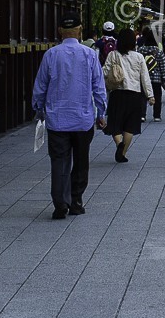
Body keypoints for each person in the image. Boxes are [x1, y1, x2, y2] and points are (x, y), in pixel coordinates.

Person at [32, 13, 108, 220]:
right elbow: (98, 86)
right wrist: (101, 112)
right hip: (83, 119)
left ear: (60, 31)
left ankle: (60, 202)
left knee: (59, 161)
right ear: (80, 30)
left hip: (57, 119)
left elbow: (40, 86)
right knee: (81, 161)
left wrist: (39, 108)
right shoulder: (90, 54)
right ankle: (76, 201)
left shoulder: (51, 55)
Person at [103, 30, 153, 163]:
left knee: (115, 123)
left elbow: (105, 72)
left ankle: (119, 144)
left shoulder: (113, 55)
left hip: (117, 94)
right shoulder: (139, 57)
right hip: (135, 95)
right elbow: (145, 77)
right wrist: (150, 95)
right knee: (130, 125)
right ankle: (123, 153)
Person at [137, 25, 165, 121]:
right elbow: (163, 66)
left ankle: (142, 115)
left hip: (143, 78)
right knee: (157, 96)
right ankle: (157, 116)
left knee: (142, 97)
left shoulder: (140, 50)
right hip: (156, 79)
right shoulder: (158, 52)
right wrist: (164, 79)